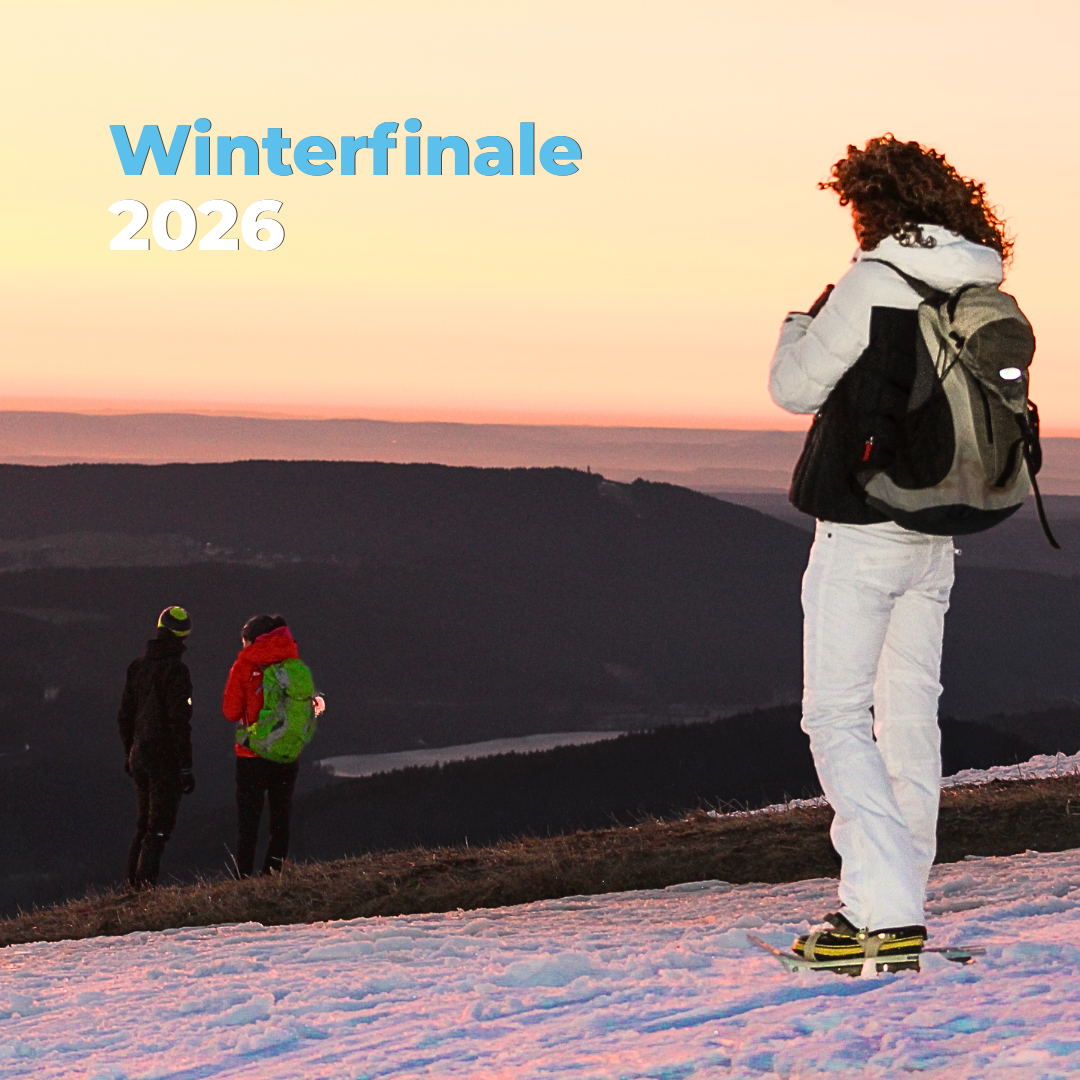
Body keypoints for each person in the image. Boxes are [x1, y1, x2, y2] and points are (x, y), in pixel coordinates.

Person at [769, 135, 1011, 963]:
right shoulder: (977, 280)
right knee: (908, 716)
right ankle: (896, 897)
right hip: (936, 532)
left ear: (872, 204)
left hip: (862, 530)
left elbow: (794, 387)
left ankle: (881, 912)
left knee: (834, 715)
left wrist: (800, 321)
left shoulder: (877, 279)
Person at [222, 614, 322, 877]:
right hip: (286, 754)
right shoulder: (293, 663)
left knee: (249, 821)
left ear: (252, 640)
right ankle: (273, 873)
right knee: (281, 817)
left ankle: (243, 877)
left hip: (251, 754)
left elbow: (231, 712)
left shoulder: (244, 665)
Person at [118, 606, 196, 890]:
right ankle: (145, 885)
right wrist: (186, 766)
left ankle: (131, 885)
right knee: (159, 826)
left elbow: (125, 716)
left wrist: (130, 751)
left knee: (143, 824)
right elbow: (179, 722)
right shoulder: (176, 670)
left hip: (139, 753)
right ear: (184, 635)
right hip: (165, 758)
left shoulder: (137, 667)